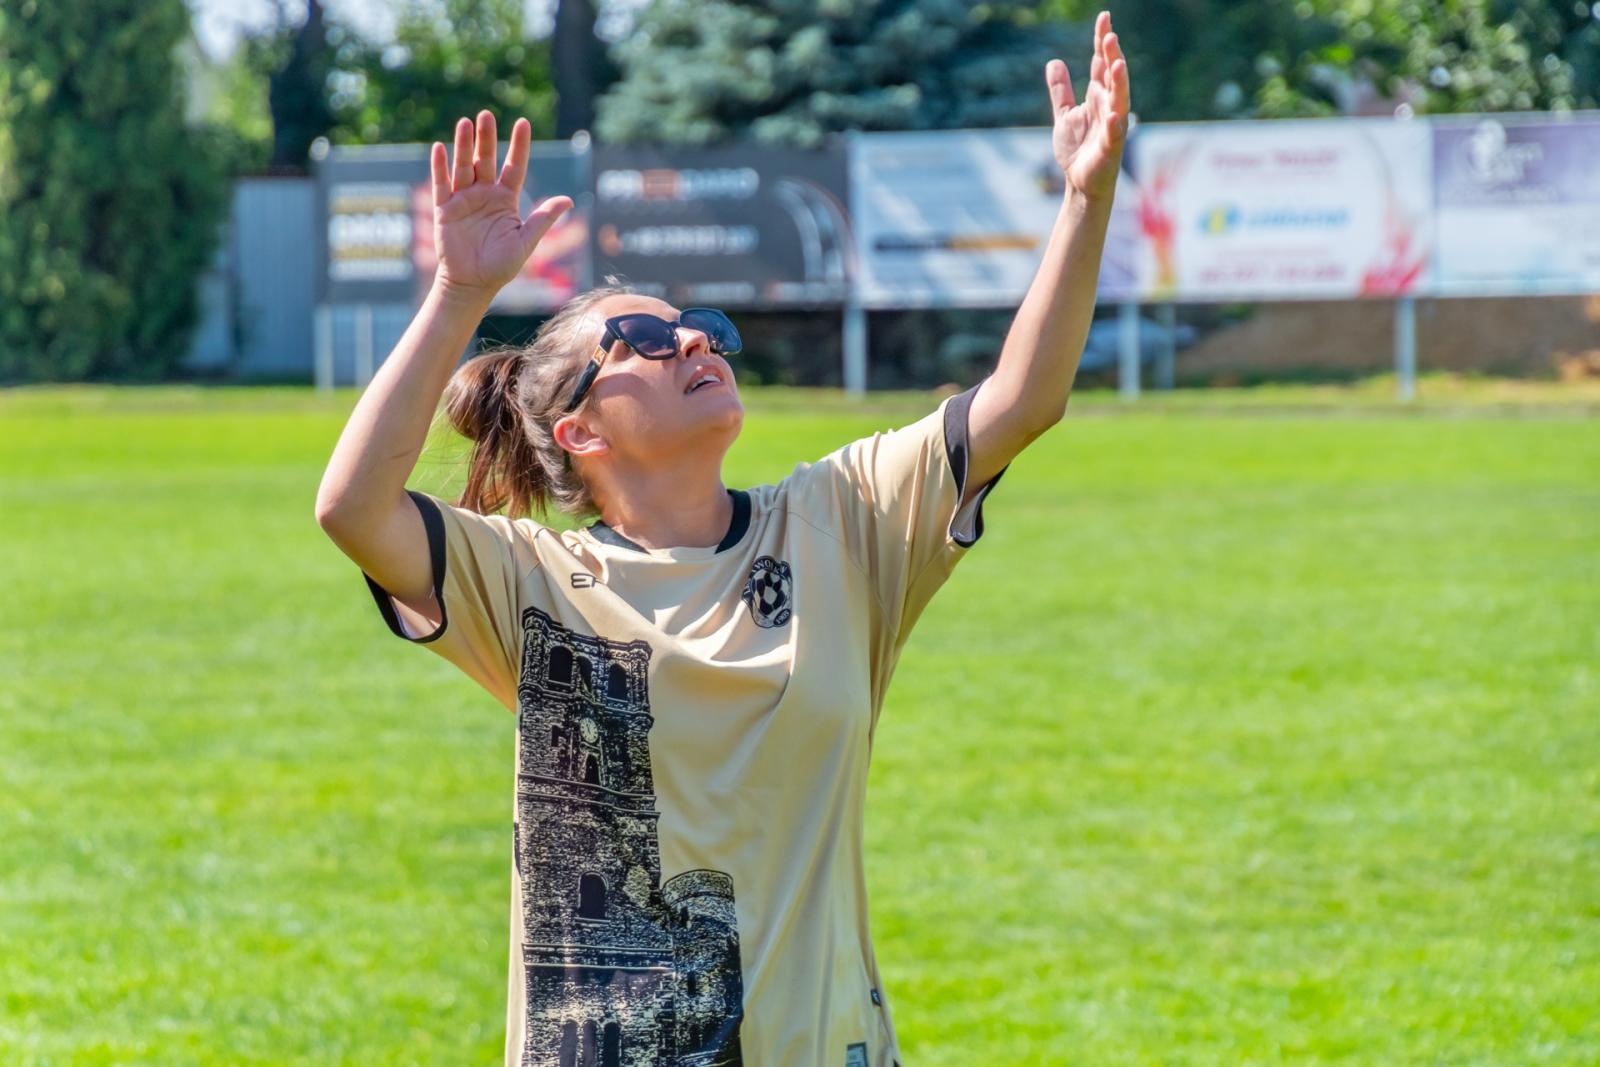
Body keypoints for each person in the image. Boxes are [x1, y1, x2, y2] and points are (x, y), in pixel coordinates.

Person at [315, 13, 1130, 1066]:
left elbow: (1022, 400)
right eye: (645, 341)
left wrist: (1084, 198)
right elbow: (351, 508)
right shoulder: (531, 581)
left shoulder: (842, 519)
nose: (692, 338)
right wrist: (460, 292)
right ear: (580, 429)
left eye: (698, 324)